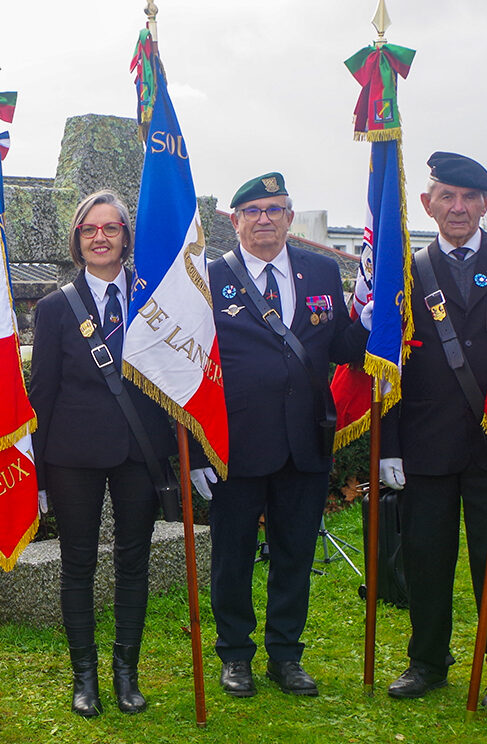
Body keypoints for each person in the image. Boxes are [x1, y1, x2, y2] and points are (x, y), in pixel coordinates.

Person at [189, 172, 369, 698]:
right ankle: (236, 655)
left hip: (306, 439)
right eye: (253, 211)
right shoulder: (207, 277)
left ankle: (286, 656)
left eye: (274, 209)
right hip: (236, 444)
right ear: (235, 221)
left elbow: (337, 345)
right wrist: (200, 450)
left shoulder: (320, 268)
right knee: (234, 554)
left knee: (294, 552)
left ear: (290, 216)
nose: (264, 220)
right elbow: (189, 368)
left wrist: (376, 323)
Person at [379, 152, 487, 713]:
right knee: (425, 556)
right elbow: (388, 364)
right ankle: (426, 660)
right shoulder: (404, 271)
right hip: (427, 443)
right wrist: (390, 446)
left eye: (470, 198)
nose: (458, 207)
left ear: (486, 206)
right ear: (427, 203)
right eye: (447, 196)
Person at [29, 190, 173, 717]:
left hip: (141, 451)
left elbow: (176, 379)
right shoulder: (53, 308)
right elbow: (41, 393)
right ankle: (84, 677)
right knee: (78, 564)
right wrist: (38, 472)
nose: (100, 238)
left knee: (135, 562)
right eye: (90, 229)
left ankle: (126, 674)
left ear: (126, 238)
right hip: (73, 455)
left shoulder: (157, 300)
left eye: (110, 229)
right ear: (77, 239)